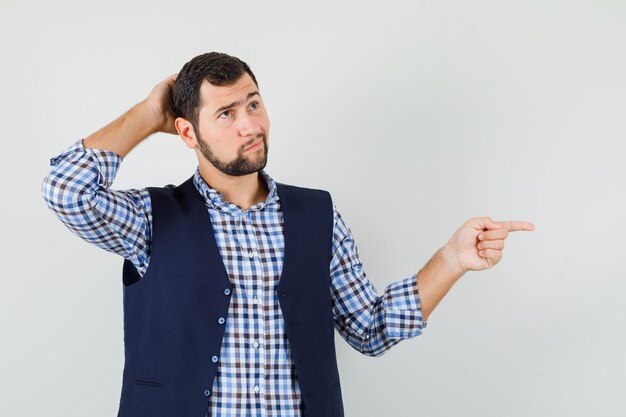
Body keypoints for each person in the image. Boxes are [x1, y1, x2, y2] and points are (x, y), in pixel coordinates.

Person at [41, 52, 535, 417]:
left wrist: (450, 259)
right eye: (226, 114)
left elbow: (371, 329)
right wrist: (150, 115)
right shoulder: (152, 218)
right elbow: (66, 191)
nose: (250, 125)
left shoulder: (316, 214)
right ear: (188, 133)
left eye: (253, 104)